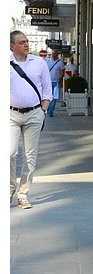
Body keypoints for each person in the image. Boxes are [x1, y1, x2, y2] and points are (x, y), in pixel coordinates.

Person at [10, 30, 53, 209]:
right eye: (21, 42)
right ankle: (8, 189)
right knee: (9, 153)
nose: (26, 44)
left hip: (34, 113)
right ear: (12, 46)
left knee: (30, 157)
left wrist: (43, 110)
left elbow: (47, 88)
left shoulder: (39, 62)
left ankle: (23, 194)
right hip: (10, 114)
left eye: (27, 41)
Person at [46, 49, 65, 116]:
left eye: (55, 54)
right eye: (53, 54)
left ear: (57, 55)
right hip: (48, 82)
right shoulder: (47, 62)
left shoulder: (60, 63)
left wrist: (59, 79)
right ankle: (48, 108)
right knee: (48, 97)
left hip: (56, 82)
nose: (54, 55)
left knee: (54, 97)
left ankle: (50, 111)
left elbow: (62, 73)